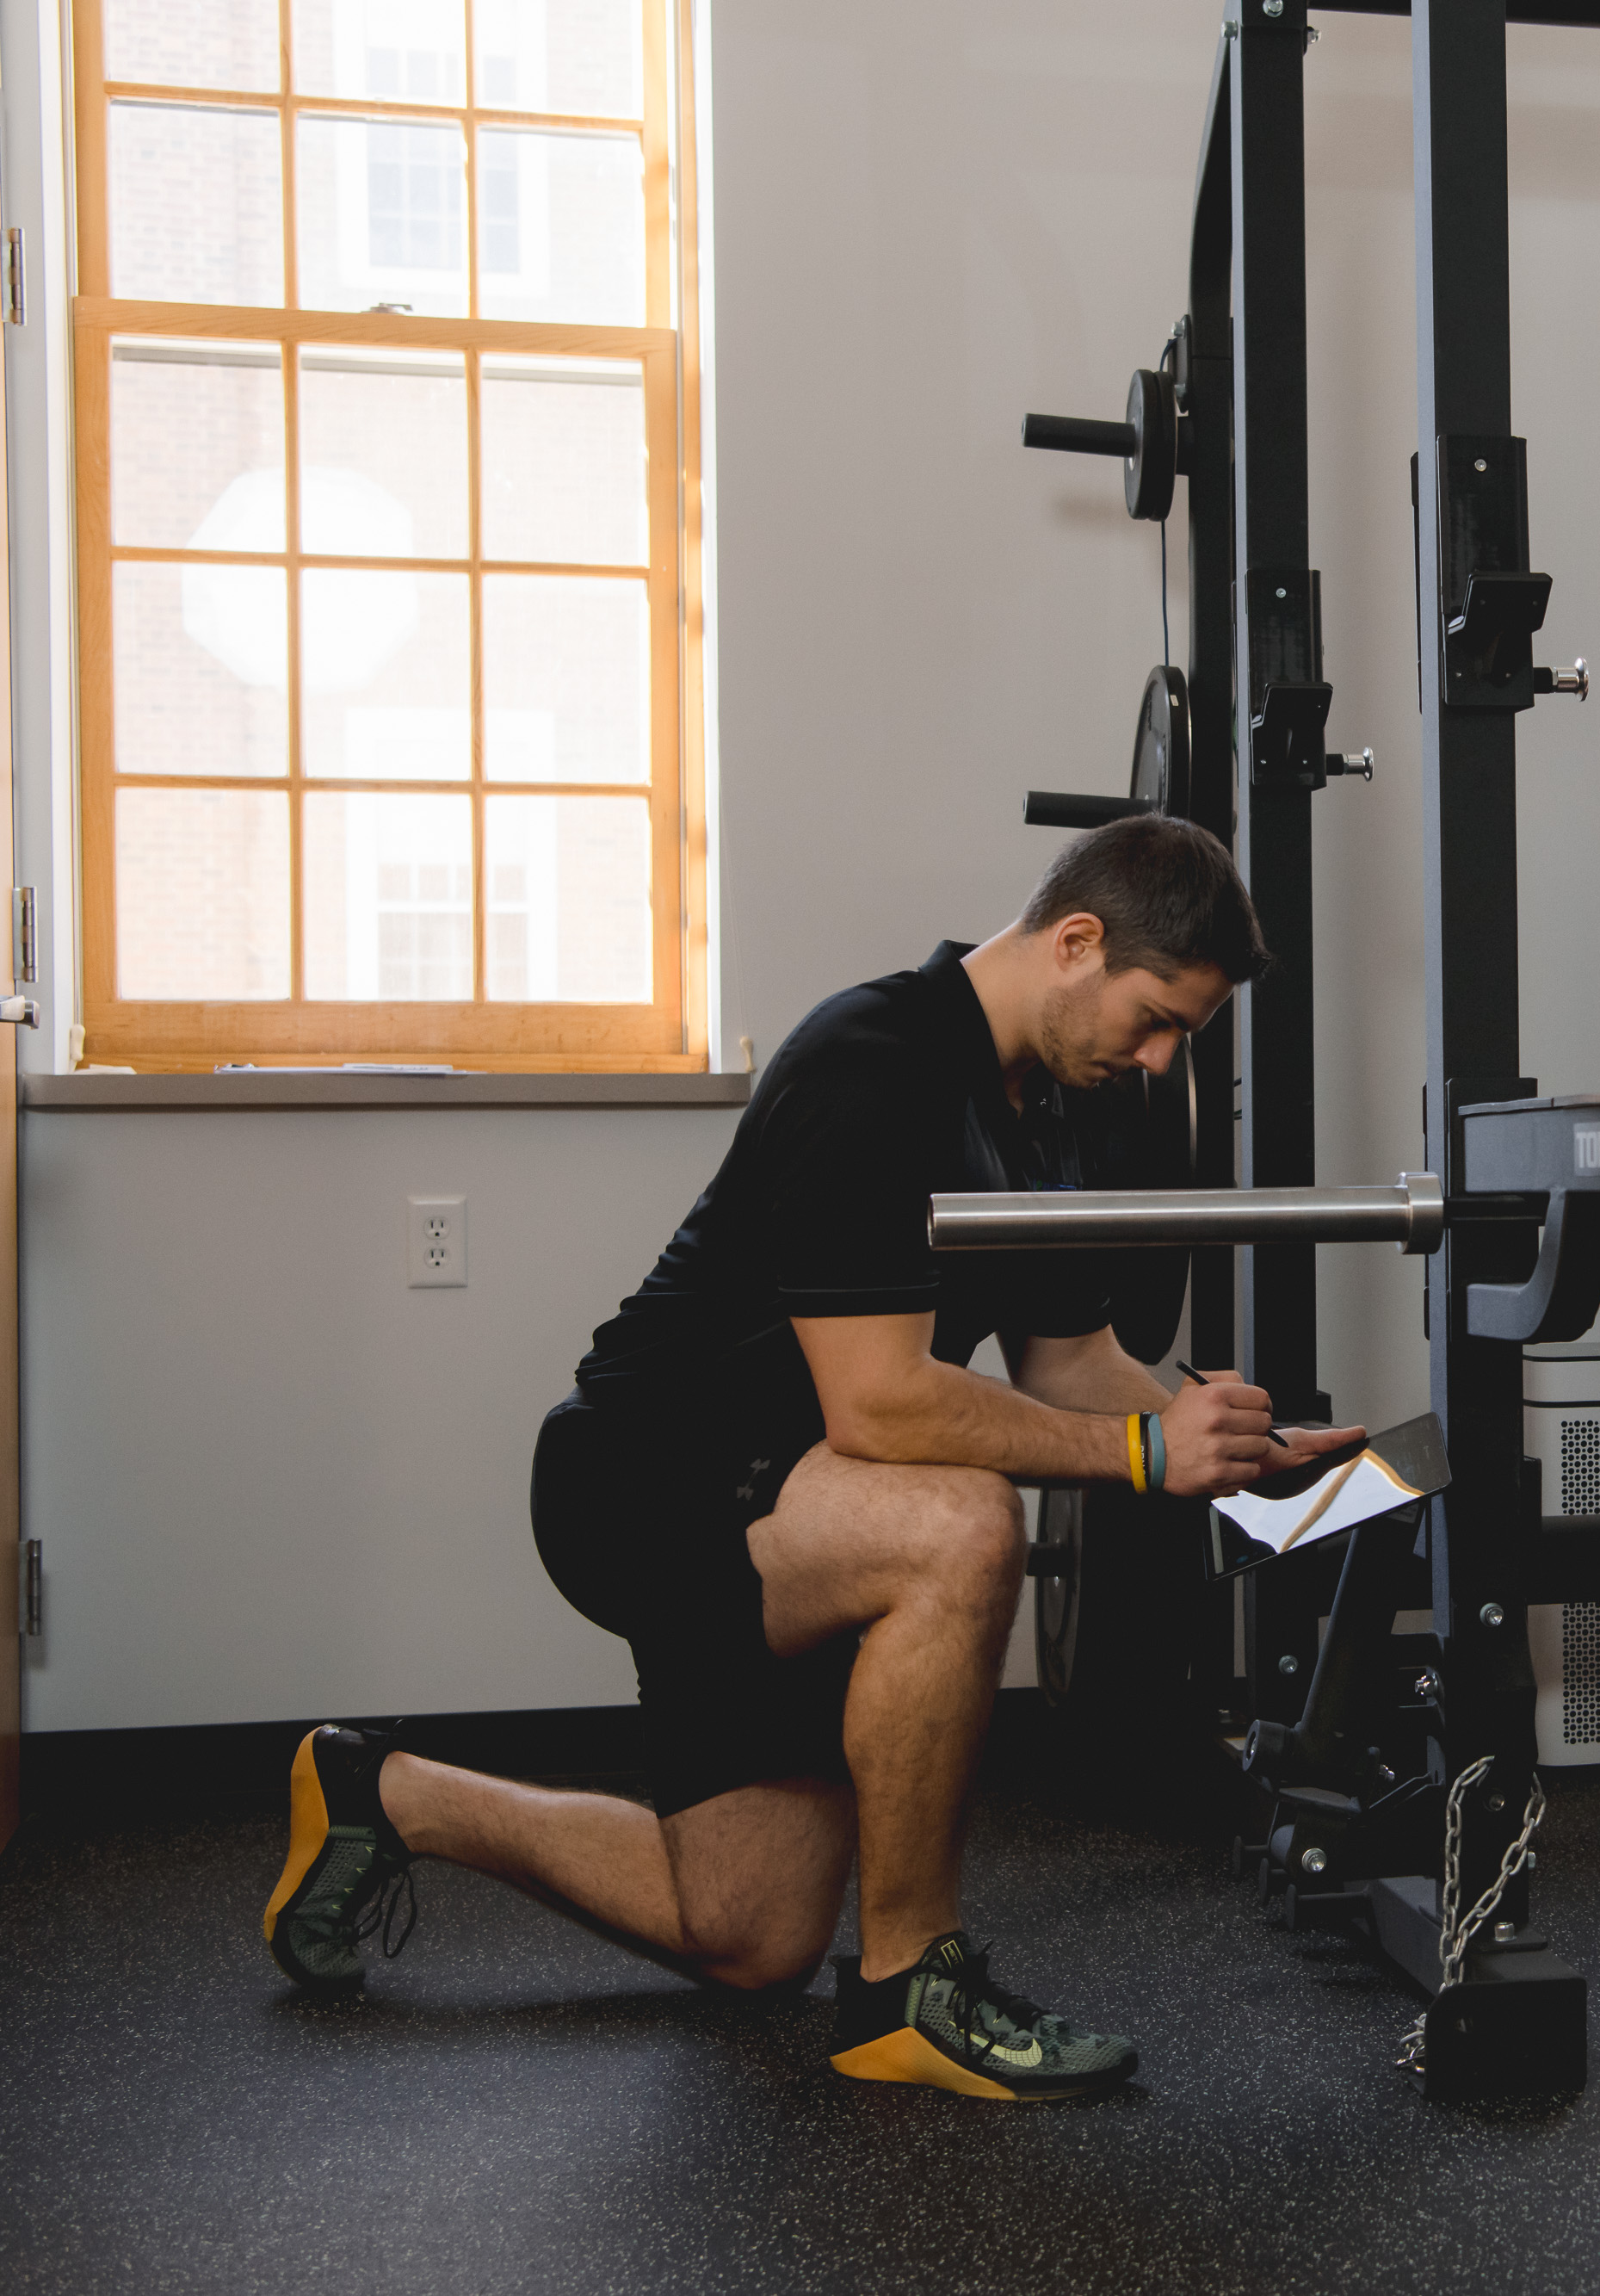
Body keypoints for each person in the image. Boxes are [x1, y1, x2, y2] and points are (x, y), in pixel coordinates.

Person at [260, 813, 1362, 2100]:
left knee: (746, 1933)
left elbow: (1067, 1364)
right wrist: (1135, 1452)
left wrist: (1220, 1440)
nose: (1165, 1057)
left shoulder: (1059, 1113)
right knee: (960, 1522)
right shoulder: (874, 1062)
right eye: (1160, 1016)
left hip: (800, 1502)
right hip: (648, 1482)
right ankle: (910, 1987)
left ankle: (380, 1792)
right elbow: (884, 1407)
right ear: (1078, 942)